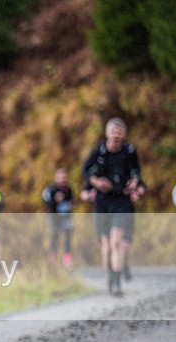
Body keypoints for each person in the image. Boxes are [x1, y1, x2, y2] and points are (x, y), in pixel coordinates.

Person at [82, 117, 146, 296]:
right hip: (103, 201)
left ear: (124, 134)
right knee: (106, 246)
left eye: (120, 132)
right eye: (113, 131)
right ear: (107, 133)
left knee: (117, 241)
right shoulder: (99, 151)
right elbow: (85, 170)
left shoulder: (129, 151)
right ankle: (110, 276)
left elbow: (137, 171)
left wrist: (135, 182)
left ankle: (117, 282)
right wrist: (96, 182)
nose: (116, 135)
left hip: (122, 200)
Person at [41, 168, 75, 268]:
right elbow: (45, 201)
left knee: (68, 238)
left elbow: (72, 202)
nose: (63, 179)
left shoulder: (68, 189)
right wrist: (55, 201)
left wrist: (71, 204)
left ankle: (67, 261)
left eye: (65, 177)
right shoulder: (51, 189)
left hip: (66, 217)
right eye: (61, 177)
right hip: (54, 217)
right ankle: (52, 260)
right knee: (54, 238)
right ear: (56, 178)